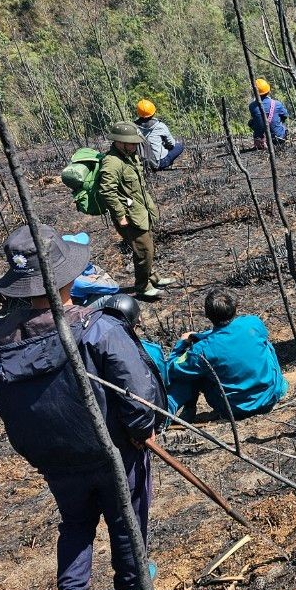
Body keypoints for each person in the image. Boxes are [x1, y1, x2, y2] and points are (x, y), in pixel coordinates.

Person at [0, 226, 164, 590]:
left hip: (54, 455)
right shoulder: (96, 327)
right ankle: (133, 583)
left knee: (76, 521)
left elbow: (2, 401)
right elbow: (137, 390)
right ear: (66, 276)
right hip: (111, 447)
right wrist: (140, 429)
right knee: (127, 510)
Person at [166, 287, 288, 419]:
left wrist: (181, 344)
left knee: (192, 368)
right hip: (271, 395)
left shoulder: (201, 351)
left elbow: (172, 368)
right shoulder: (253, 323)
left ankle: (186, 410)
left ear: (207, 315)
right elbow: (229, 337)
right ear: (235, 308)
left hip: (235, 410)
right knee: (264, 344)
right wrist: (202, 336)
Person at [97, 121, 173, 301]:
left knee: (148, 248)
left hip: (140, 211)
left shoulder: (130, 157)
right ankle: (142, 287)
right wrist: (120, 215)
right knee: (143, 251)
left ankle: (153, 278)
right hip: (129, 217)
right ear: (119, 142)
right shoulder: (112, 163)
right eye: (131, 142)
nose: (135, 145)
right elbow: (107, 191)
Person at [97, 293, 178, 419]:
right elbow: (164, 383)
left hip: (107, 416)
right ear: (138, 320)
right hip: (147, 418)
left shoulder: (94, 350)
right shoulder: (152, 351)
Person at [134, 99, 184, 171]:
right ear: (153, 112)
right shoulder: (160, 126)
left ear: (138, 113)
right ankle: (166, 163)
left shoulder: (133, 127)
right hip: (160, 163)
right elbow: (171, 144)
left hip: (142, 162)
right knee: (179, 146)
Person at [247, 77, 288, 151]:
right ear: (268, 91)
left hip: (261, 142)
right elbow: (285, 116)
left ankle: (261, 138)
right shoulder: (277, 104)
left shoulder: (252, 106)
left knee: (251, 122)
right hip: (278, 139)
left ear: (255, 93)